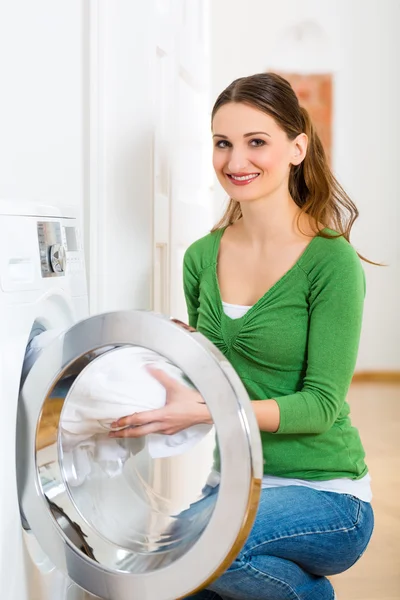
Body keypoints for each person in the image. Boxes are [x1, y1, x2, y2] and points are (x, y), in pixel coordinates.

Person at [110, 73, 374, 600]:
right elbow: (207, 376)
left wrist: (210, 407)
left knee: (199, 550)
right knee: (167, 570)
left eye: (257, 142)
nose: (235, 162)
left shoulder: (331, 262)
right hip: (233, 483)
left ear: (297, 148)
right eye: (222, 143)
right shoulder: (201, 259)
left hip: (323, 492)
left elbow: (321, 405)